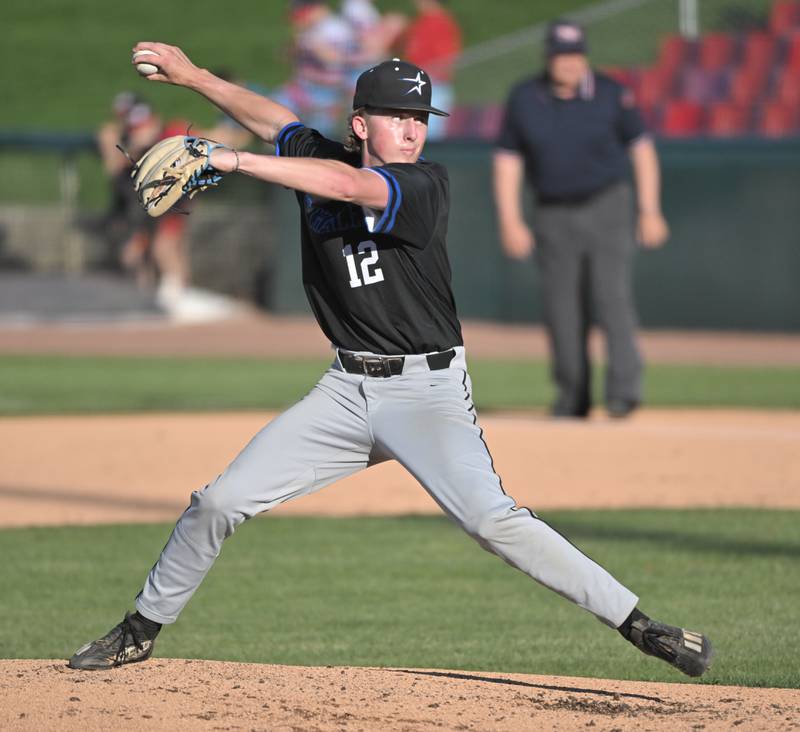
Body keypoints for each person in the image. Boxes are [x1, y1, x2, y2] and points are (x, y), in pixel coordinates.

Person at [67, 42, 711, 679]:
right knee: (218, 502)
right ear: (359, 123)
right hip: (346, 390)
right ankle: (140, 630)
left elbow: (347, 184)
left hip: (426, 395)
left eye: (420, 119)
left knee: (493, 520)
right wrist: (195, 75)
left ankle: (640, 624)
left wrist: (231, 160)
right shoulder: (319, 156)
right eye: (398, 116)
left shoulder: (423, 182)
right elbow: (273, 120)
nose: (411, 130)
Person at [492, 19, 669, 419]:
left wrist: (650, 209)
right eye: (560, 55)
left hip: (607, 205)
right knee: (561, 308)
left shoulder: (611, 93)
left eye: (574, 55)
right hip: (552, 212)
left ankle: (624, 392)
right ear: (548, 57)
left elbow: (642, 149)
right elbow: (507, 160)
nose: (568, 63)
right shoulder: (525, 97)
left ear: (584, 57)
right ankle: (572, 397)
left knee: (612, 299)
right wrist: (510, 219)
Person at [398, 0, 462, 140]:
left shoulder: (440, 21)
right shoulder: (421, 20)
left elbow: (445, 60)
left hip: (432, 85)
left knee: (427, 134)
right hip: (416, 83)